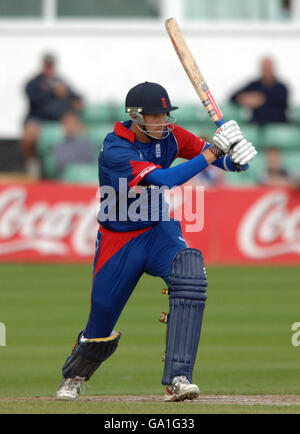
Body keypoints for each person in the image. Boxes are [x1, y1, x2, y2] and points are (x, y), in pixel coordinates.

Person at [56, 82, 257, 402]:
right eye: (156, 116)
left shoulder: (172, 136)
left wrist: (236, 159)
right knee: (102, 314)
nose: (163, 121)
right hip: (118, 238)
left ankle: (179, 377)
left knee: (189, 272)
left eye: (165, 114)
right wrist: (214, 152)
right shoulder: (115, 148)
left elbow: (217, 160)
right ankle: (75, 375)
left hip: (158, 229)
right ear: (136, 117)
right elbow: (166, 178)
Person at [20, 54, 84, 179]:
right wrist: (51, 92)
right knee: (29, 135)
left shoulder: (60, 81)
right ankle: (32, 166)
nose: (48, 69)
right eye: (46, 66)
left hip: (57, 119)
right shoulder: (35, 83)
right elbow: (32, 97)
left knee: (75, 124)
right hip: (38, 118)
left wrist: (77, 100)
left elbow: (75, 96)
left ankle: (67, 167)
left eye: (50, 66)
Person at [230, 57, 289, 125]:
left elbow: (283, 106)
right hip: (257, 125)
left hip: (278, 125)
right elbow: (232, 97)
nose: (267, 70)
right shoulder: (254, 85)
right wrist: (243, 99)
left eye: (268, 68)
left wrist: (261, 100)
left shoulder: (282, 88)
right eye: (265, 68)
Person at [53, 111, 96, 178]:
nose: (70, 126)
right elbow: (62, 163)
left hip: (85, 177)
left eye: (73, 123)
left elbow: (89, 159)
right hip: (67, 180)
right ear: (63, 125)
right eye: (67, 123)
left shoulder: (86, 142)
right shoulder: (58, 145)